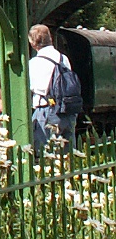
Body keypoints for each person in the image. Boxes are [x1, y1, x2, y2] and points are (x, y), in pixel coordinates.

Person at [28, 23, 76, 151]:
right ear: (50, 38)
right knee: (67, 153)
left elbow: (32, 87)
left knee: (46, 153)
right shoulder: (63, 58)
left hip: (46, 109)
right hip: (67, 109)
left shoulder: (34, 63)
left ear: (33, 43)